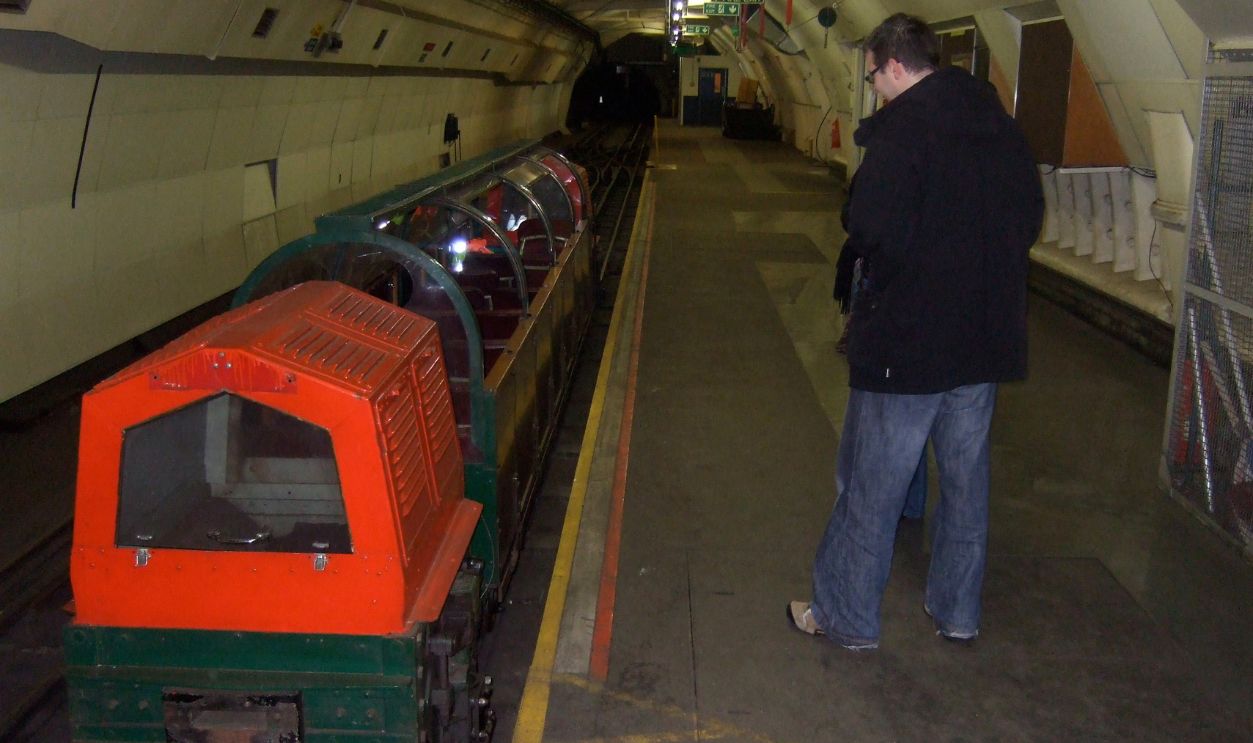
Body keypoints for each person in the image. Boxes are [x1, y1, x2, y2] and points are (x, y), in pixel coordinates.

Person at [789, 13, 1043, 650]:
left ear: (895, 66)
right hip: (983, 342)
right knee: (965, 487)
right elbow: (1029, 218)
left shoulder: (904, 132)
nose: (874, 88)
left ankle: (846, 616)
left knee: (872, 485)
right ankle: (957, 613)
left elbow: (868, 224)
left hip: (910, 342)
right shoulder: (1000, 127)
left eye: (874, 76)